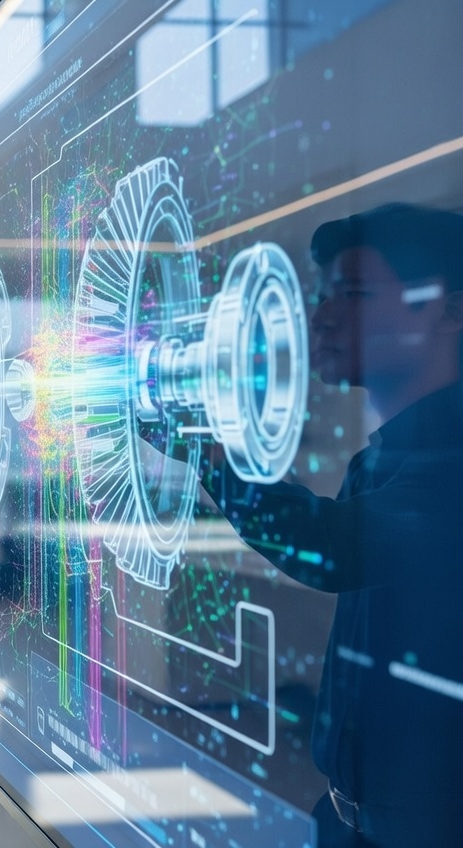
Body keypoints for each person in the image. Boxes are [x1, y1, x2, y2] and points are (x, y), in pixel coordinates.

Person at [208, 202, 463, 846]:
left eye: (354, 294)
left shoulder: (451, 463)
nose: (321, 317)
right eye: (325, 296)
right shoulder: (380, 461)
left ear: (450, 311)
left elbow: (331, 547)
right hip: (351, 820)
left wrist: (207, 454)